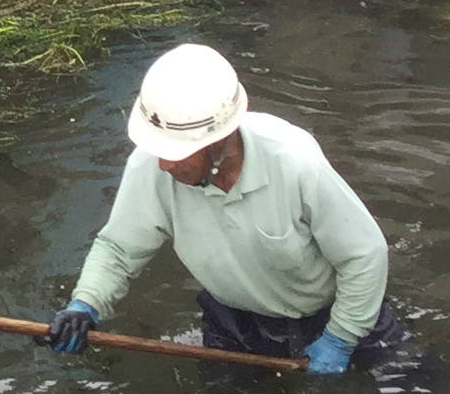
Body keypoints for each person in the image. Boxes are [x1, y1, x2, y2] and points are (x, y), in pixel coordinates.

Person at [41, 41, 401, 374]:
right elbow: (119, 250)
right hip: (234, 325)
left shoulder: (294, 162)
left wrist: (341, 337)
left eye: (176, 154)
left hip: (332, 316)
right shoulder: (149, 167)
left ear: (220, 143)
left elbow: (364, 255)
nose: (164, 165)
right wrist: (84, 305)